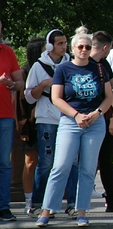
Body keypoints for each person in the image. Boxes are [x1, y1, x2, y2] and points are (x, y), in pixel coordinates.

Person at [36, 27, 113, 227]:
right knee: (60, 166)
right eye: (81, 46)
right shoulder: (63, 69)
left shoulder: (98, 68)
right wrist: (76, 115)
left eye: (88, 47)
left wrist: (97, 114)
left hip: (94, 123)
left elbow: (109, 97)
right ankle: (46, 211)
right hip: (70, 122)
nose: (84, 50)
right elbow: (56, 98)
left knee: (87, 169)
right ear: (73, 48)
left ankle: (81, 212)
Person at [24, 30, 78, 217]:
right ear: (50, 46)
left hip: (68, 118)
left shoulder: (71, 64)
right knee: (46, 162)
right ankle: (38, 203)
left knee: (71, 162)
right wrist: (44, 84)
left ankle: (72, 203)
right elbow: (29, 97)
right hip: (46, 119)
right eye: (59, 43)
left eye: (65, 43)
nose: (63, 47)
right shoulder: (39, 67)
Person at [88, 30, 113, 213]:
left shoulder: (103, 64)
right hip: (84, 119)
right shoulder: (82, 64)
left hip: (104, 117)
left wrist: (112, 119)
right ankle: (78, 201)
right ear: (106, 47)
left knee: (107, 160)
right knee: (86, 162)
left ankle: (112, 199)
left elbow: (112, 89)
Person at [0, 19, 25, 222]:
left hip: (5, 116)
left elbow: (20, 84)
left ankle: (3, 207)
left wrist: (10, 83)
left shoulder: (8, 52)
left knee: (4, 164)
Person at [17, 38, 44, 215]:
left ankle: (43, 199)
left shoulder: (51, 68)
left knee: (47, 163)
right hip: (30, 124)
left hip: (48, 121)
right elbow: (20, 102)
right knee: (30, 161)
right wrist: (23, 126)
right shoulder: (26, 71)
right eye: (44, 49)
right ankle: (29, 199)